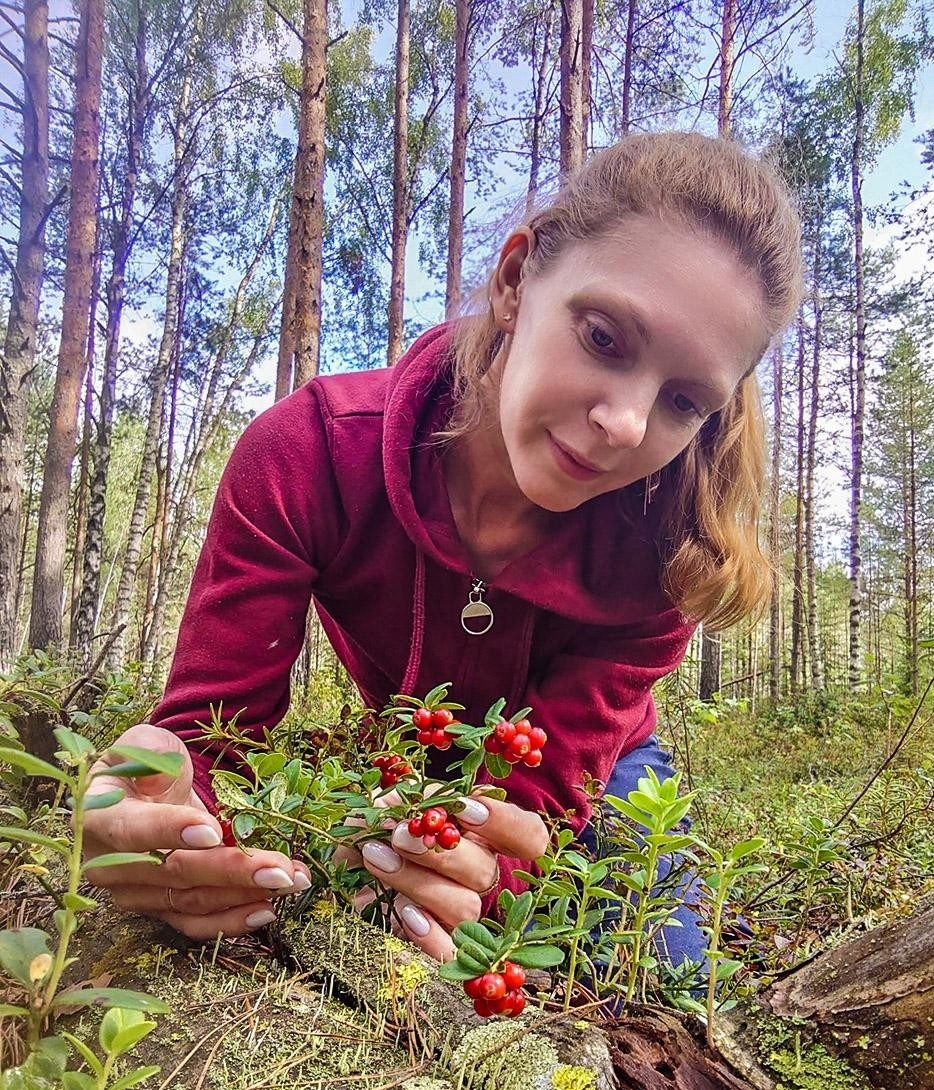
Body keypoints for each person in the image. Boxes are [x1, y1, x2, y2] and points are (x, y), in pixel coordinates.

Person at [83, 131, 802, 967]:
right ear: (515, 279)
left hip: (606, 769)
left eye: (683, 402)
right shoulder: (311, 454)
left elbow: (544, 792)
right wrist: (171, 812)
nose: (626, 424)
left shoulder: (670, 554)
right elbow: (214, 735)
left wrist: (485, 876)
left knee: (662, 967)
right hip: (410, 749)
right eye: (604, 338)